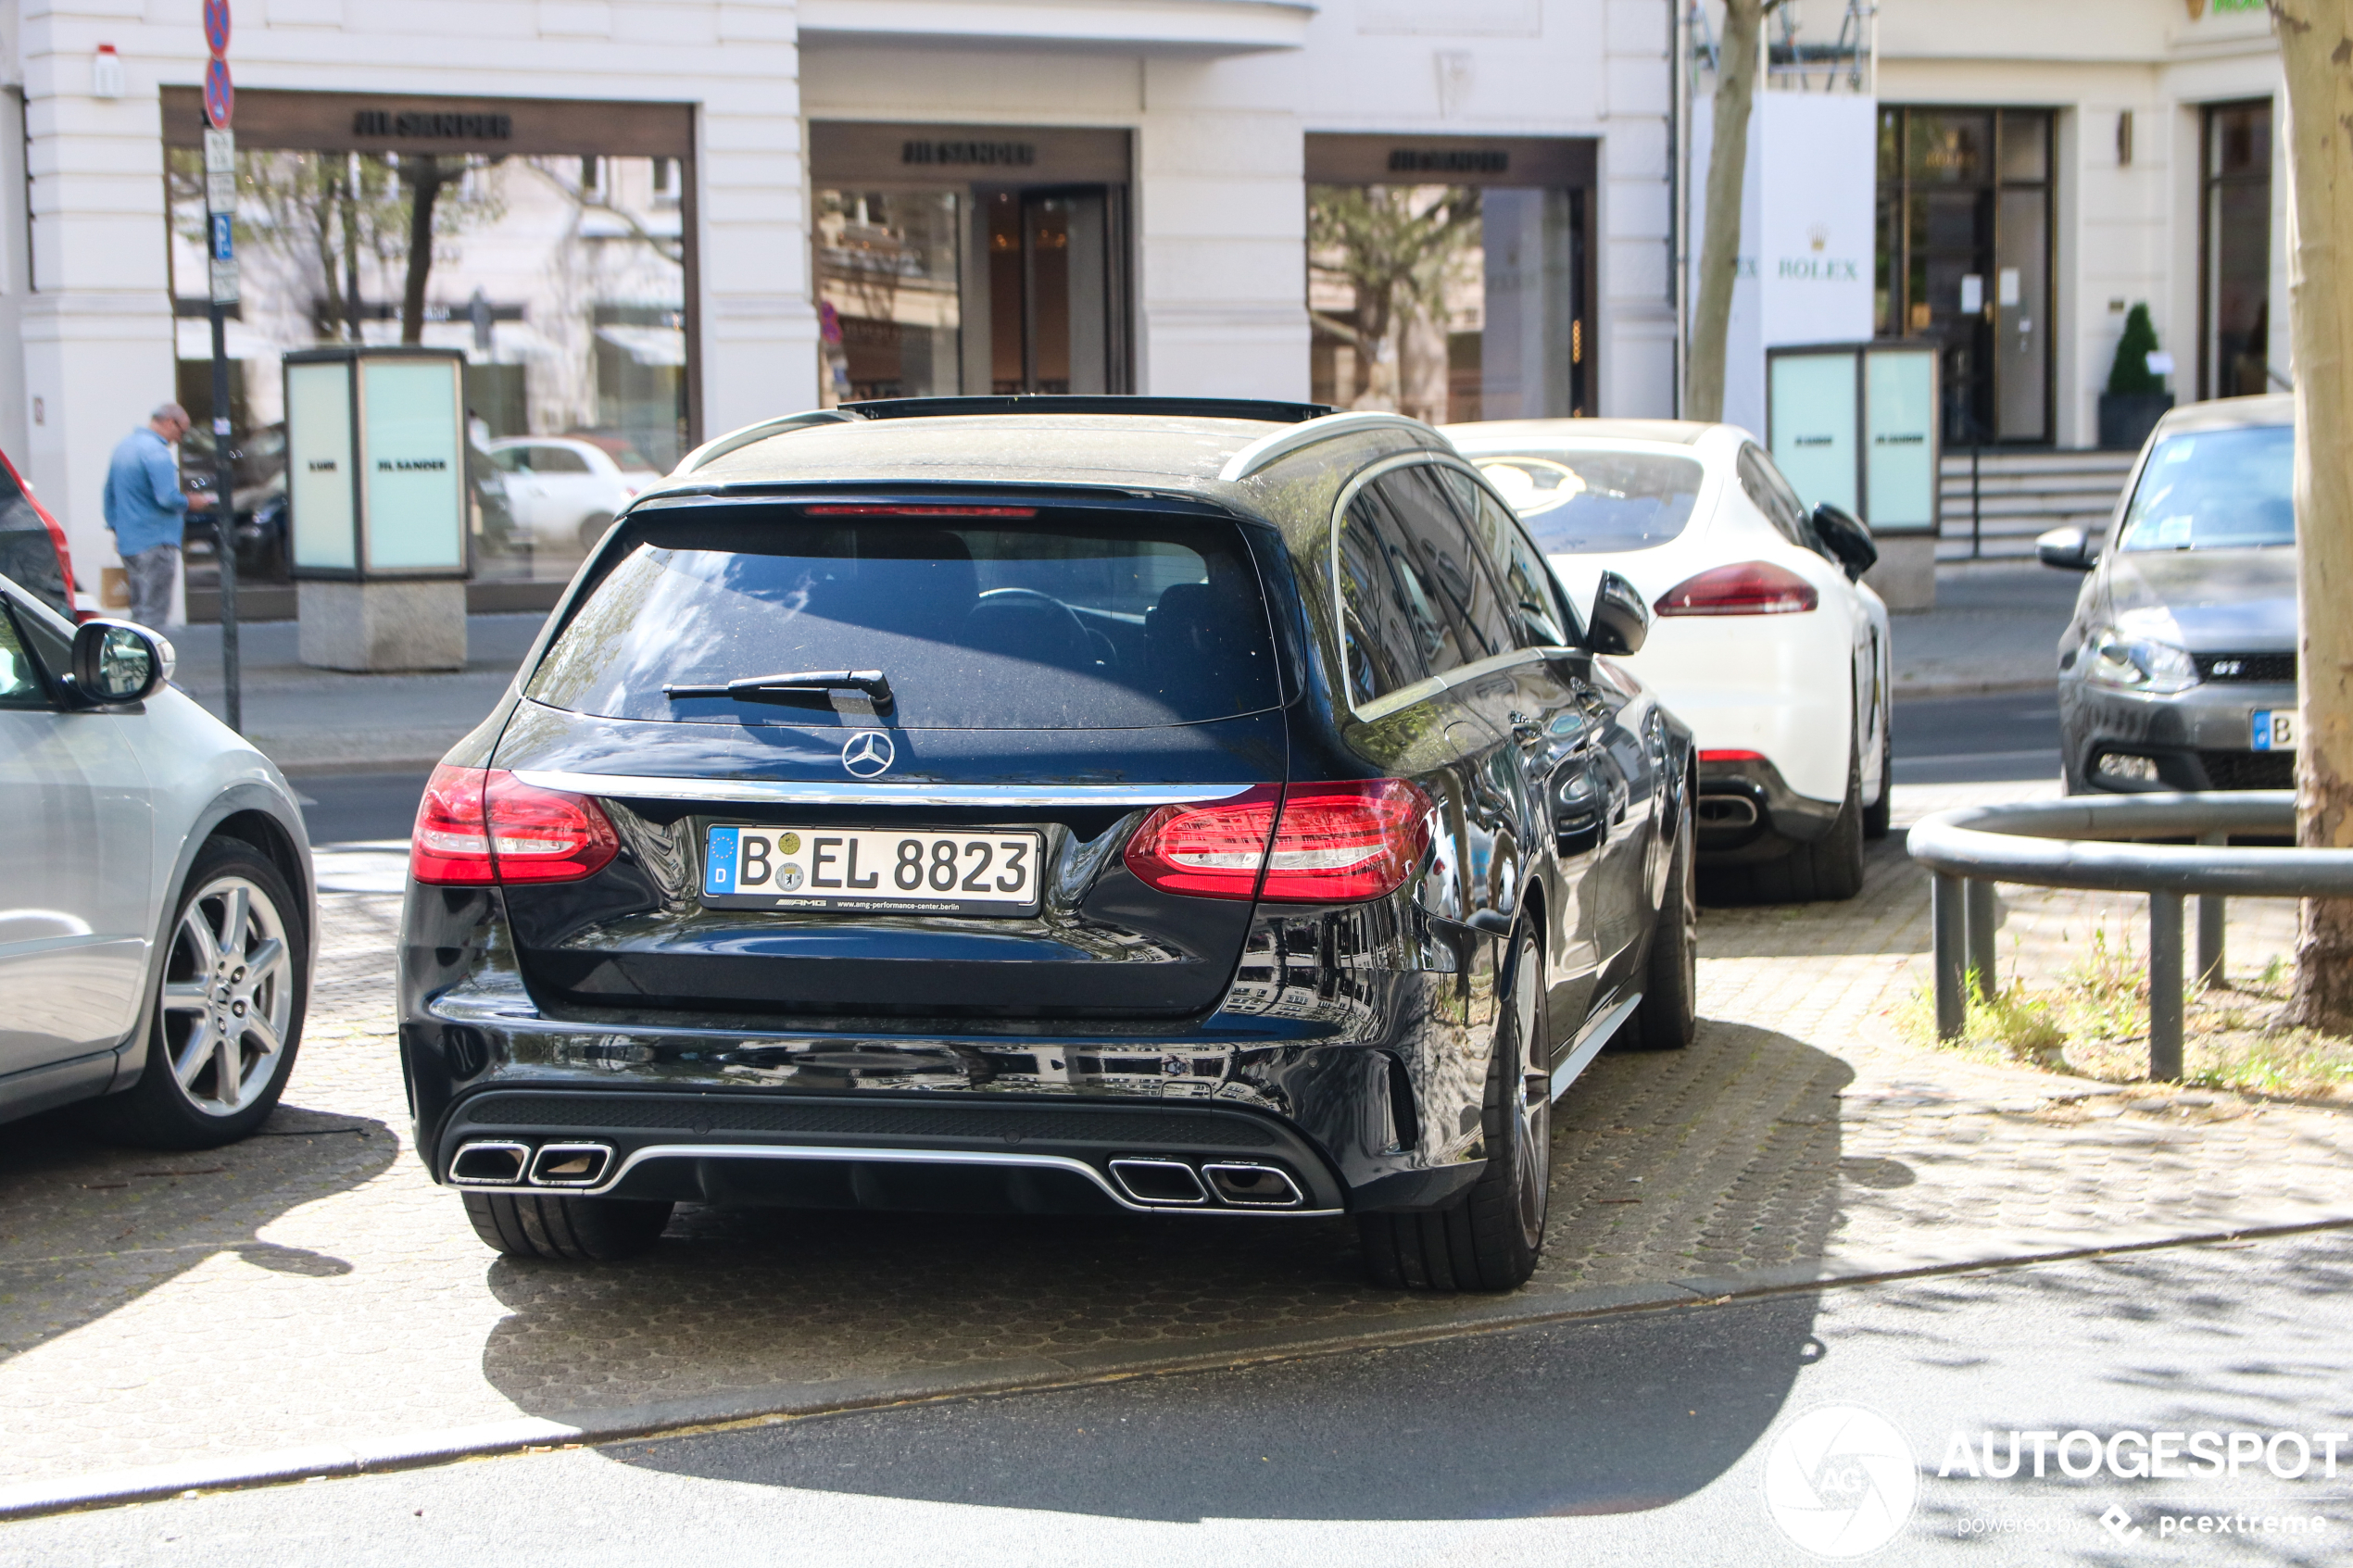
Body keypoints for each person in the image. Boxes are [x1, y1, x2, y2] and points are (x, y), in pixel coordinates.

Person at [102, 401, 213, 630]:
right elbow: (167, 498)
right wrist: (191, 502)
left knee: (139, 609)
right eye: (181, 431)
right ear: (170, 423)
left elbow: (108, 494)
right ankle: (151, 662)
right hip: (157, 543)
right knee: (154, 614)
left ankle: (133, 660)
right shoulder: (156, 452)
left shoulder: (124, 447)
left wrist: (116, 528)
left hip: (129, 543)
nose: (180, 439)